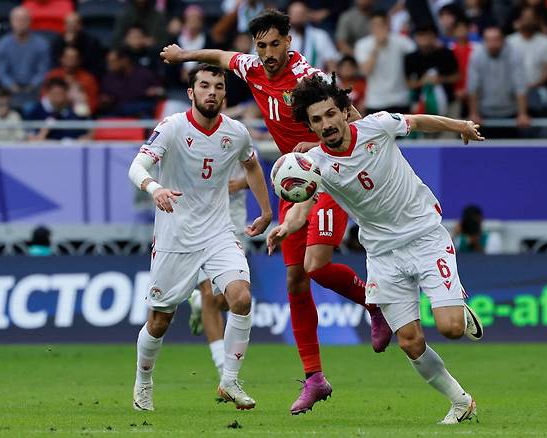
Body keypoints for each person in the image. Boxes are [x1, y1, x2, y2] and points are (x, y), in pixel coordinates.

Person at [160, 9, 393, 415]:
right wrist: (184, 56)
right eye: (261, 45)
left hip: (327, 174)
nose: (267, 53)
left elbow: (347, 114)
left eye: (274, 44)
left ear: (289, 41)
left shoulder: (307, 76)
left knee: (317, 266)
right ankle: (315, 378)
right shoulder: (252, 68)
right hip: (292, 180)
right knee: (295, 281)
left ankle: (374, 302)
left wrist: (361, 146)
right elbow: (221, 56)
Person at [267, 74, 484, 424]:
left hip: (425, 236)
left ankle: (456, 304)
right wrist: (286, 226)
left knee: (451, 329)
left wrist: (460, 125)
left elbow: (420, 121)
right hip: (383, 255)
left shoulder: (376, 127)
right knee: (410, 342)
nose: (326, 124)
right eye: (317, 120)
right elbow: (303, 206)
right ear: (310, 126)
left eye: (330, 114)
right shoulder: (318, 165)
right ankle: (461, 402)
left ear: (342, 112)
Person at [127, 63, 273, 411]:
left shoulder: (236, 132)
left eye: (218, 87)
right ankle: (144, 380)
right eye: (204, 86)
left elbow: (252, 164)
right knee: (159, 320)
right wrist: (155, 187)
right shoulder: (173, 128)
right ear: (191, 93)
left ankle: (230, 381)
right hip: (175, 235)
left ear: (224, 93)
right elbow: (137, 166)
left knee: (240, 298)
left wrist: (266, 211)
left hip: (219, 232)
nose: (212, 92)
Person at [187, 159, 252, 378]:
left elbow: (263, 176)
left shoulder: (240, 136)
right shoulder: (188, 137)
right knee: (210, 295)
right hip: (199, 228)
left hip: (233, 226)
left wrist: (241, 184)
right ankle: (223, 369)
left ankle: (197, 303)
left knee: (228, 300)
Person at [354, 11, 416, 114]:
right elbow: (365, 71)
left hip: (401, 100)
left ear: (388, 25)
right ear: (370, 26)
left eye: (381, 25)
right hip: (375, 101)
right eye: (375, 25)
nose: (378, 28)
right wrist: (377, 47)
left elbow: (416, 59)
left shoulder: (402, 41)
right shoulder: (362, 45)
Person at [26, 78, 90, 141]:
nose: (59, 98)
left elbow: (86, 133)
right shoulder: (35, 111)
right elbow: (31, 139)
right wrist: (44, 132)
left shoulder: (73, 110)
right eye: (56, 94)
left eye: (61, 94)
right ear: (48, 93)